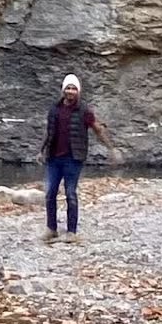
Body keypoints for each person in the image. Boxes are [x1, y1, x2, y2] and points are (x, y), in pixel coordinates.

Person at [41, 73, 115, 243]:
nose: (71, 91)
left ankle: (71, 232)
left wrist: (110, 148)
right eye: (68, 88)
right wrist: (41, 150)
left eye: (74, 88)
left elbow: (97, 129)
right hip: (53, 158)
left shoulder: (84, 111)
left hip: (73, 159)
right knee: (50, 193)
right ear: (63, 90)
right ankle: (51, 229)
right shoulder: (54, 109)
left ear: (78, 91)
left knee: (70, 194)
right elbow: (49, 131)